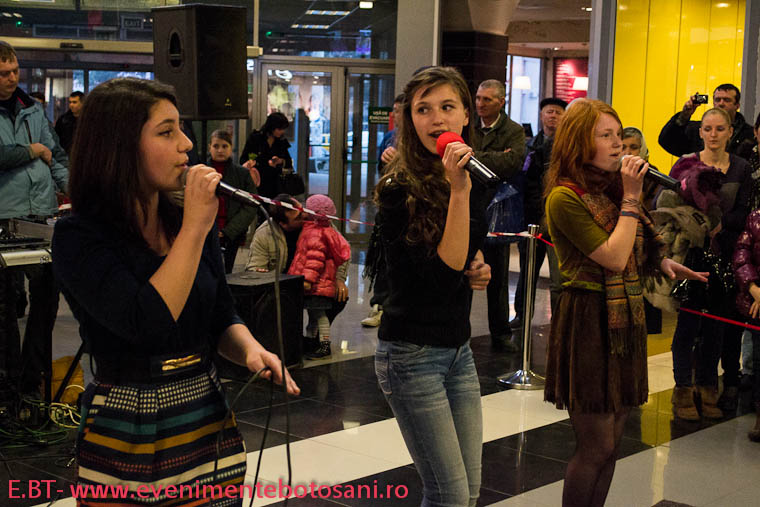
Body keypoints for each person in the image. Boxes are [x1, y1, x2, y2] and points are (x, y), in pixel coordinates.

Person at [51, 77, 299, 500]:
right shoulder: (79, 235)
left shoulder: (182, 221)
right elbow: (147, 321)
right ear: (119, 147)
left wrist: (249, 349)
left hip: (204, 410)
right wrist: (197, 227)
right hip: (128, 423)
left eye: (181, 129)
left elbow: (220, 313)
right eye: (166, 132)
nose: (186, 144)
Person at [543, 98, 706, 506]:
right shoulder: (565, 197)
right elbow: (613, 256)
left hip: (624, 316)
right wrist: (633, 196)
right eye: (606, 136)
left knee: (614, 444)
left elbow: (630, 244)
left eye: (619, 135)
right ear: (579, 142)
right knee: (595, 446)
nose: (618, 144)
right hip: (588, 320)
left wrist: (660, 261)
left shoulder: (611, 188)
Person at [373, 66, 490, 507]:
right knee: (449, 495)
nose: (437, 119)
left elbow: (462, 255)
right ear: (410, 120)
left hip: (458, 349)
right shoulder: (397, 188)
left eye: (447, 107)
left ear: (466, 115)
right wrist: (458, 192)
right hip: (411, 354)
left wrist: (477, 267)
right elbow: (439, 276)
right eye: (423, 109)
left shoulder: (470, 176)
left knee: (468, 492)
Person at [0, 41, 68, 395]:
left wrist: (76, 191)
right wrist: (31, 151)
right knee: (5, 307)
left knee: (47, 297)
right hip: (4, 218)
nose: (12, 78)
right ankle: (8, 382)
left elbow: (55, 155)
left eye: (15, 71)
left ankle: (31, 379)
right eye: (3, 74)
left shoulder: (33, 109)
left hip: (40, 214)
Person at [245, 194, 350, 353]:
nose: (305, 215)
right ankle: (291, 337)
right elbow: (253, 268)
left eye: (302, 209)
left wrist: (340, 279)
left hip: (314, 283)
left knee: (336, 299)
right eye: (298, 217)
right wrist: (262, 275)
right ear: (283, 224)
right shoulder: (264, 234)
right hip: (283, 286)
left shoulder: (318, 222)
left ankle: (318, 339)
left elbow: (342, 249)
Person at [471, 79, 527, 350]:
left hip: (497, 210)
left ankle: (501, 334)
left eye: (487, 99)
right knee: (465, 271)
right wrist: (493, 156)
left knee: (498, 277)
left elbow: (512, 163)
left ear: (501, 102)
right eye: (478, 98)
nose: (480, 104)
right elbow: (458, 159)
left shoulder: (513, 130)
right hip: (469, 206)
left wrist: (475, 156)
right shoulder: (468, 126)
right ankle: (459, 333)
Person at [512, 97, 567, 332]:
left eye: (557, 112)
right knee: (528, 273)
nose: (552, 116)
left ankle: (559, 323)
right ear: (541, 115)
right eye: (549, 111)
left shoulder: (567, 147)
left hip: (557, 221)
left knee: (558, 278)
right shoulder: (530, 145)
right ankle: (522, 316)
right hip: (532, 219)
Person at [287, 194, 351, 359]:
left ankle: (324, 345)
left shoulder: (316, 233)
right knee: (313, 315)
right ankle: (311, 342)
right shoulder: (322, 228)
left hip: (316, 283)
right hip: (320, 282)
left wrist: (307, 280)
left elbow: (315, 259)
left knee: (319, 315)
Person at [362, 93, 405, 328]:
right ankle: (379, 304)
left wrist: (400, 160)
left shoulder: (420, 139)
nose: (395, 115)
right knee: (381, 258)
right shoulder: (389, 137)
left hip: (408, 207)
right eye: (394, 110)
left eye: (399, 111)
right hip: (388, 204)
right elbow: (381, 169)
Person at [207, 129, 258, 273]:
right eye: (216, 146)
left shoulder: (242, 174)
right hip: (205, 232)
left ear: (231, 148)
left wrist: (229, 231)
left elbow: (251, 204)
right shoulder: (200, 171)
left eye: (224, 146)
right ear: (209, 147)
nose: (220, 150)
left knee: (227, 272)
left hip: (232, 234)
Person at [658, 84, 754, 157]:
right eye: (718, 100)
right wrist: (684, 116)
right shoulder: (696, 129)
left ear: (737, 105)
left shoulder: (749, 134)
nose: (721, 103)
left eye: (727, 100)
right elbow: (667, 141)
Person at [239, 112, 293, 198]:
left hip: (275, 183)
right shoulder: (256, 138)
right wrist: (250, 162)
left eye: (283, 129)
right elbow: (244, 158)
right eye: (279, 129)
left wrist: (279, 161)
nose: (282, 131)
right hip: (257, 181)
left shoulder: (281, 142)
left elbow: (288, 162)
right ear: (271, 127)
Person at [54, 90, 84, 155]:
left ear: (83, 103)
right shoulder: (62, 120)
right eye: (70, 102)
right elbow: (56, 138)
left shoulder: (89, 120)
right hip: (66, 154)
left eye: (74, 102)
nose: (71, 105)